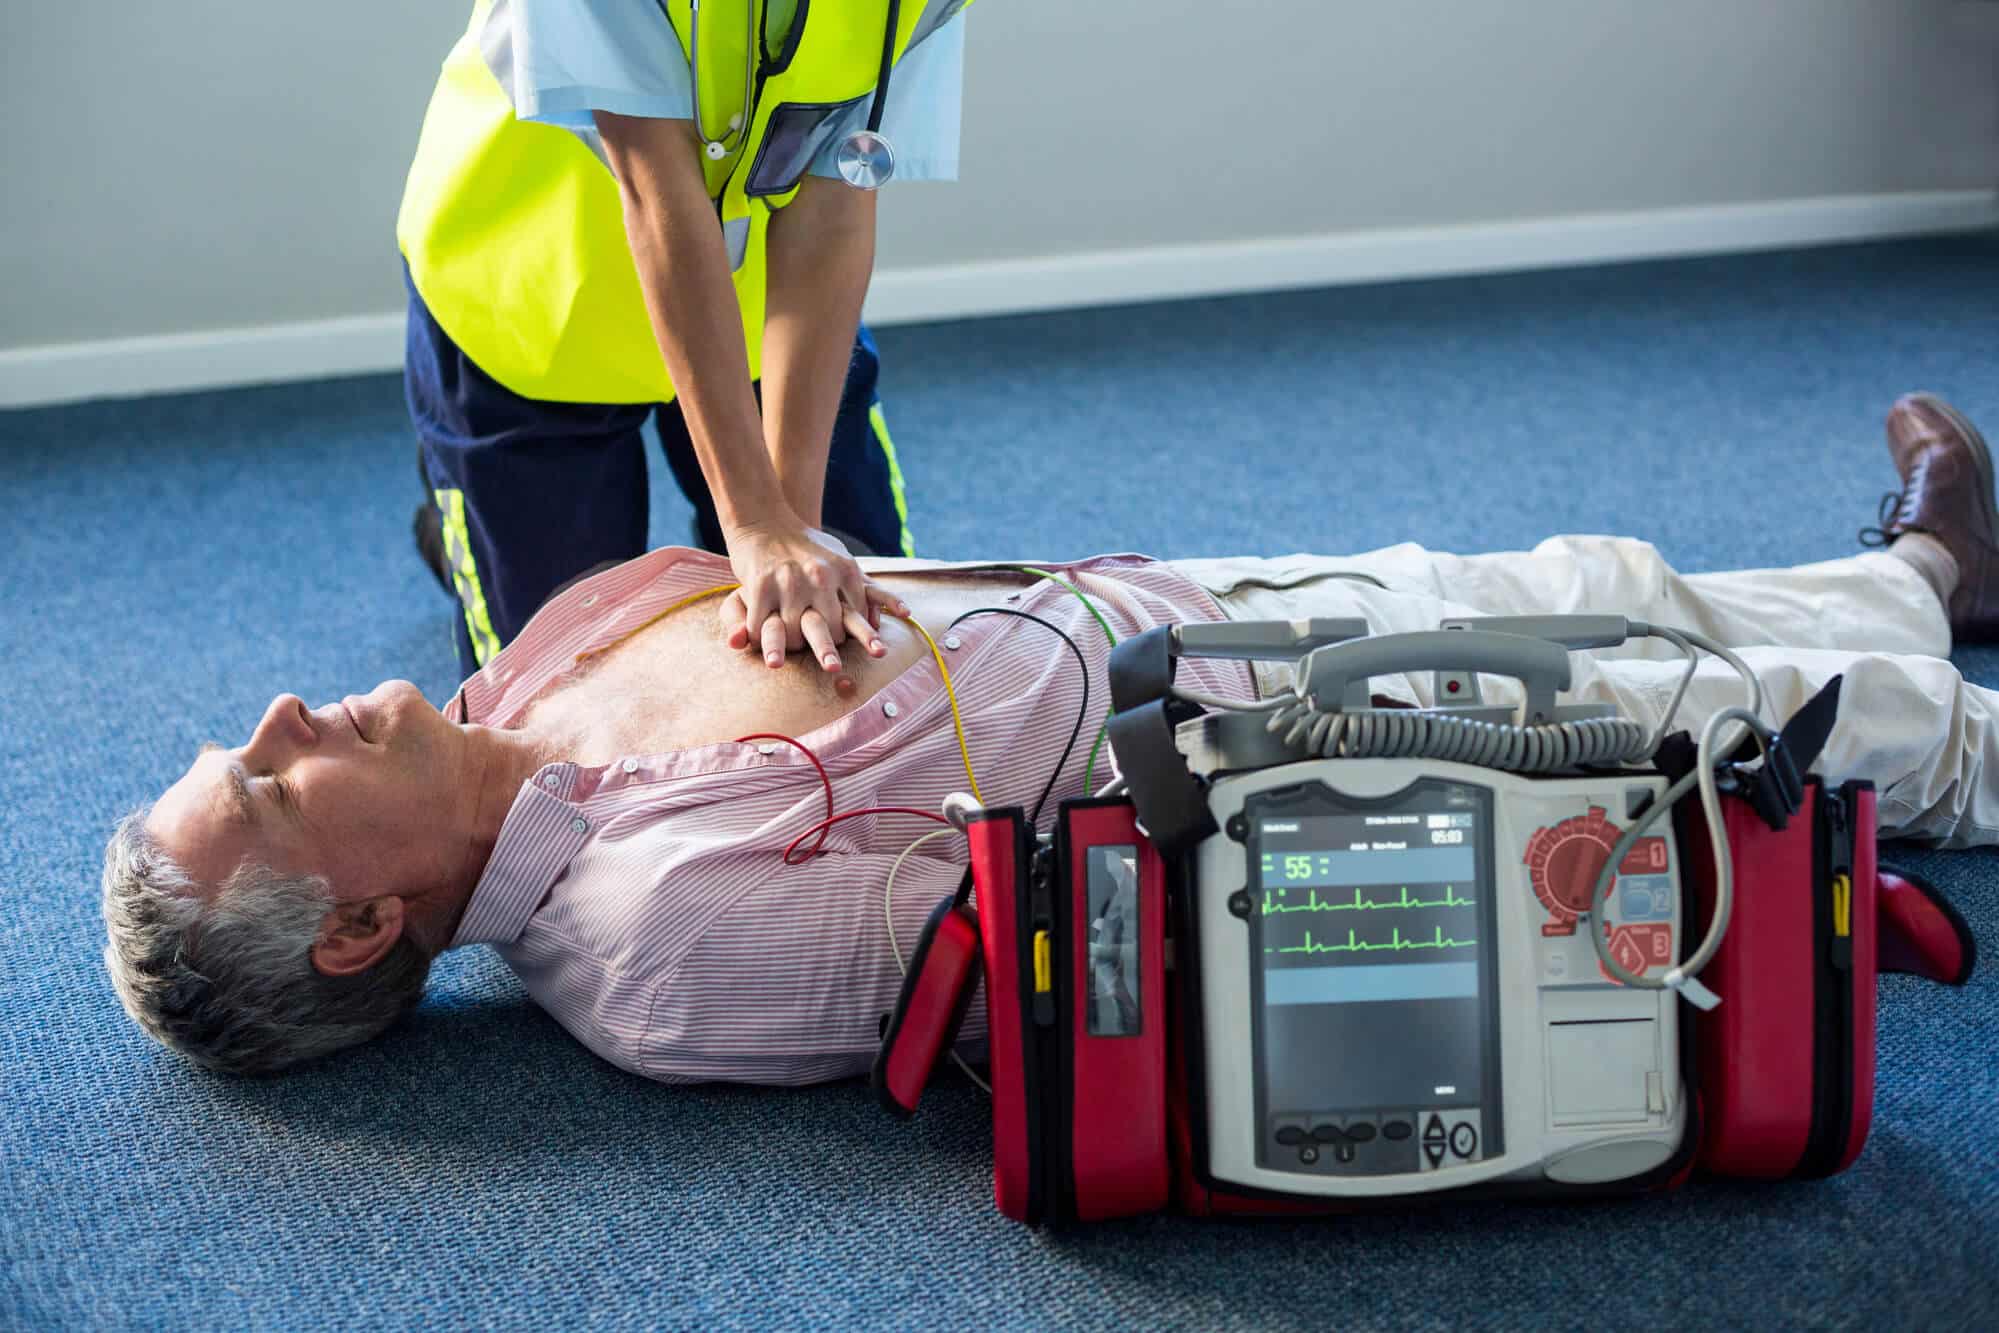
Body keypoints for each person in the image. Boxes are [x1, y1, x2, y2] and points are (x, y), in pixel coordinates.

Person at [105, 394, 1995, 1084]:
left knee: (1587, 568)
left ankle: (1923, 571)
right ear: (360, 928)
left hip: (1138, 592)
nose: (286, 713)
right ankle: (1957, 737)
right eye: (273, 782)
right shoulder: (651, 943)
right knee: (1715, 721)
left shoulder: (520, 672)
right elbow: (1075, 951)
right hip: (1253, 740)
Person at [397, 0, 974, 682]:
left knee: (864, 634)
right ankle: (458, 532)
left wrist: (798, 533)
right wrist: (757, 525)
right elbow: (654, 185)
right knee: (566, 691)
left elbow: (835, 205)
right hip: (535, 294)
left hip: (751, 304)